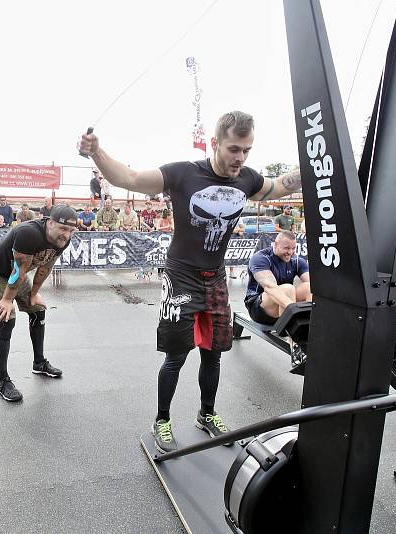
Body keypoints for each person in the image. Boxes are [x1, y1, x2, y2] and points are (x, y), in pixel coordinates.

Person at [78, 110, 302, 453]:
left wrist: (317, 166)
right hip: (181, 276)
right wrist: (96, 152)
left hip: (215, 281)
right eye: (233, 149)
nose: (239, 158)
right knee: (177, 355)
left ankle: (207, 413)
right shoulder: (183, 174)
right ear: (215, 143)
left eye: (246, 150)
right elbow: (131, 178)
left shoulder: (247, 180)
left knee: (213, 354)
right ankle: (162, 419)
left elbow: (281, 185)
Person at [0, 204, 77, 402]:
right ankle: (3, 381)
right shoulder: (29, 234)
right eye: (62, 228)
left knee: (38, 310)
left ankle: (39, 363)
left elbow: (46, 266)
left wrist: (34, 294)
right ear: (50, 223)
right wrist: (7, 300)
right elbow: (18, 271)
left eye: (70, 230)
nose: (66, 234)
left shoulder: (62, 240)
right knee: (6, 318)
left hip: (17, 274)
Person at [245, 231, 311, 362]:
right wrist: (295, 311)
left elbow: (314, 285)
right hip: (259, 307)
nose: (290, 252)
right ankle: (296, 344)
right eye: (286, 248)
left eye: (293, 248)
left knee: (309, 287)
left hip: (285, 306)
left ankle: (311, 330)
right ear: (275, 244)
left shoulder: (297, 261)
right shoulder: (261, 258)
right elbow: (270, 287)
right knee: (287, 288)